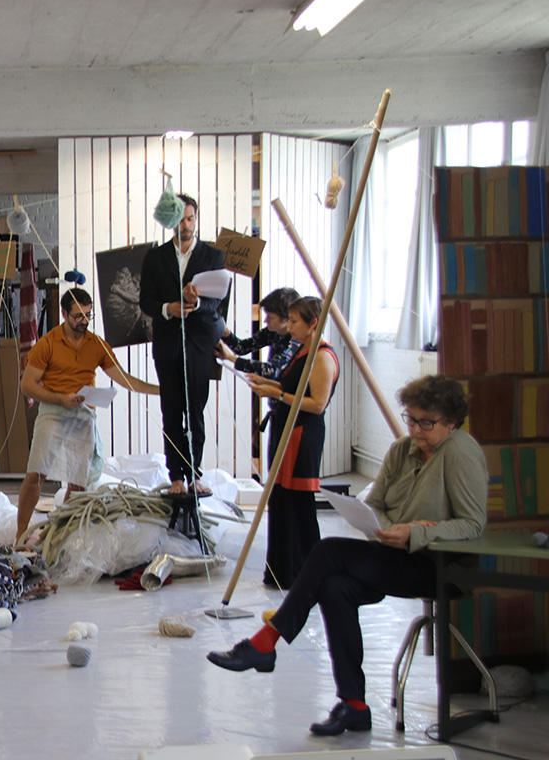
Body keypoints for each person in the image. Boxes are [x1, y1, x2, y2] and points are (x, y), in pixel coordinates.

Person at [206, 375, 487, 736]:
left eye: (426, 423)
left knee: (328, 550)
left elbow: (472, 525)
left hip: (439, 566)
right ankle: (354, 705)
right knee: (334, 588)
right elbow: (374, 503)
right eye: (411, 419)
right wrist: (391, 528)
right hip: (396, 554)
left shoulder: (461, 452)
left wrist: (417, 533)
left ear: (451, 422)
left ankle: (266, 642)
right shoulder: (402, 450)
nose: (415, 429)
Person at [16, 289, 159, 543]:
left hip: (83, 413)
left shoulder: (96, 345)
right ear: (64, 313)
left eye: (88, 315)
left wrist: (161, 391)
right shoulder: (47, 344)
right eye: (78, 316)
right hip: (53, 411)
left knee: (78, 481)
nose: (84, 321)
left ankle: (57, 534)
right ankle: (20, 533)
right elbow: (27, 386)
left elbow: (124, 379)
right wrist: (60, 398)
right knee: (36, 473)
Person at [247, 295, 340, 589]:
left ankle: (306, 572)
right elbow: (292, 386)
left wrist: (276, 394)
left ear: (313, 324)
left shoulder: (322, 356)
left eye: (296, 321)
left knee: (297, 503)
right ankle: (283, 573)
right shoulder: (301, 350)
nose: (290, 326)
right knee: (281, 500)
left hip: (302, 435)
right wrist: (267, 384)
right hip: (286, 429)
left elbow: (316, 404)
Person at [139, 193, 227, 494]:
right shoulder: (154, 257)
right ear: (170, 221)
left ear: (196, 218)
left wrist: (196, 302)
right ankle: (176, 475)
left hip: (200, 345)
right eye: (180, 220)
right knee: (171, 413)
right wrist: (169, 308)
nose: (186, 225)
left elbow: (217, 301)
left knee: (196, 413)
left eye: (190, 218)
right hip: (167, 347)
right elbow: (146, 301)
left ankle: (194, 473)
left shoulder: (213, 256)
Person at [215, 286, 300, 380]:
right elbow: (243, 347)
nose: (265, 320)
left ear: (287, 318)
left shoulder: (295, 340)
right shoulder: (272, 332)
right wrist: (226, 332)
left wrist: (231, 358)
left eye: (270, 317)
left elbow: (271, 370)